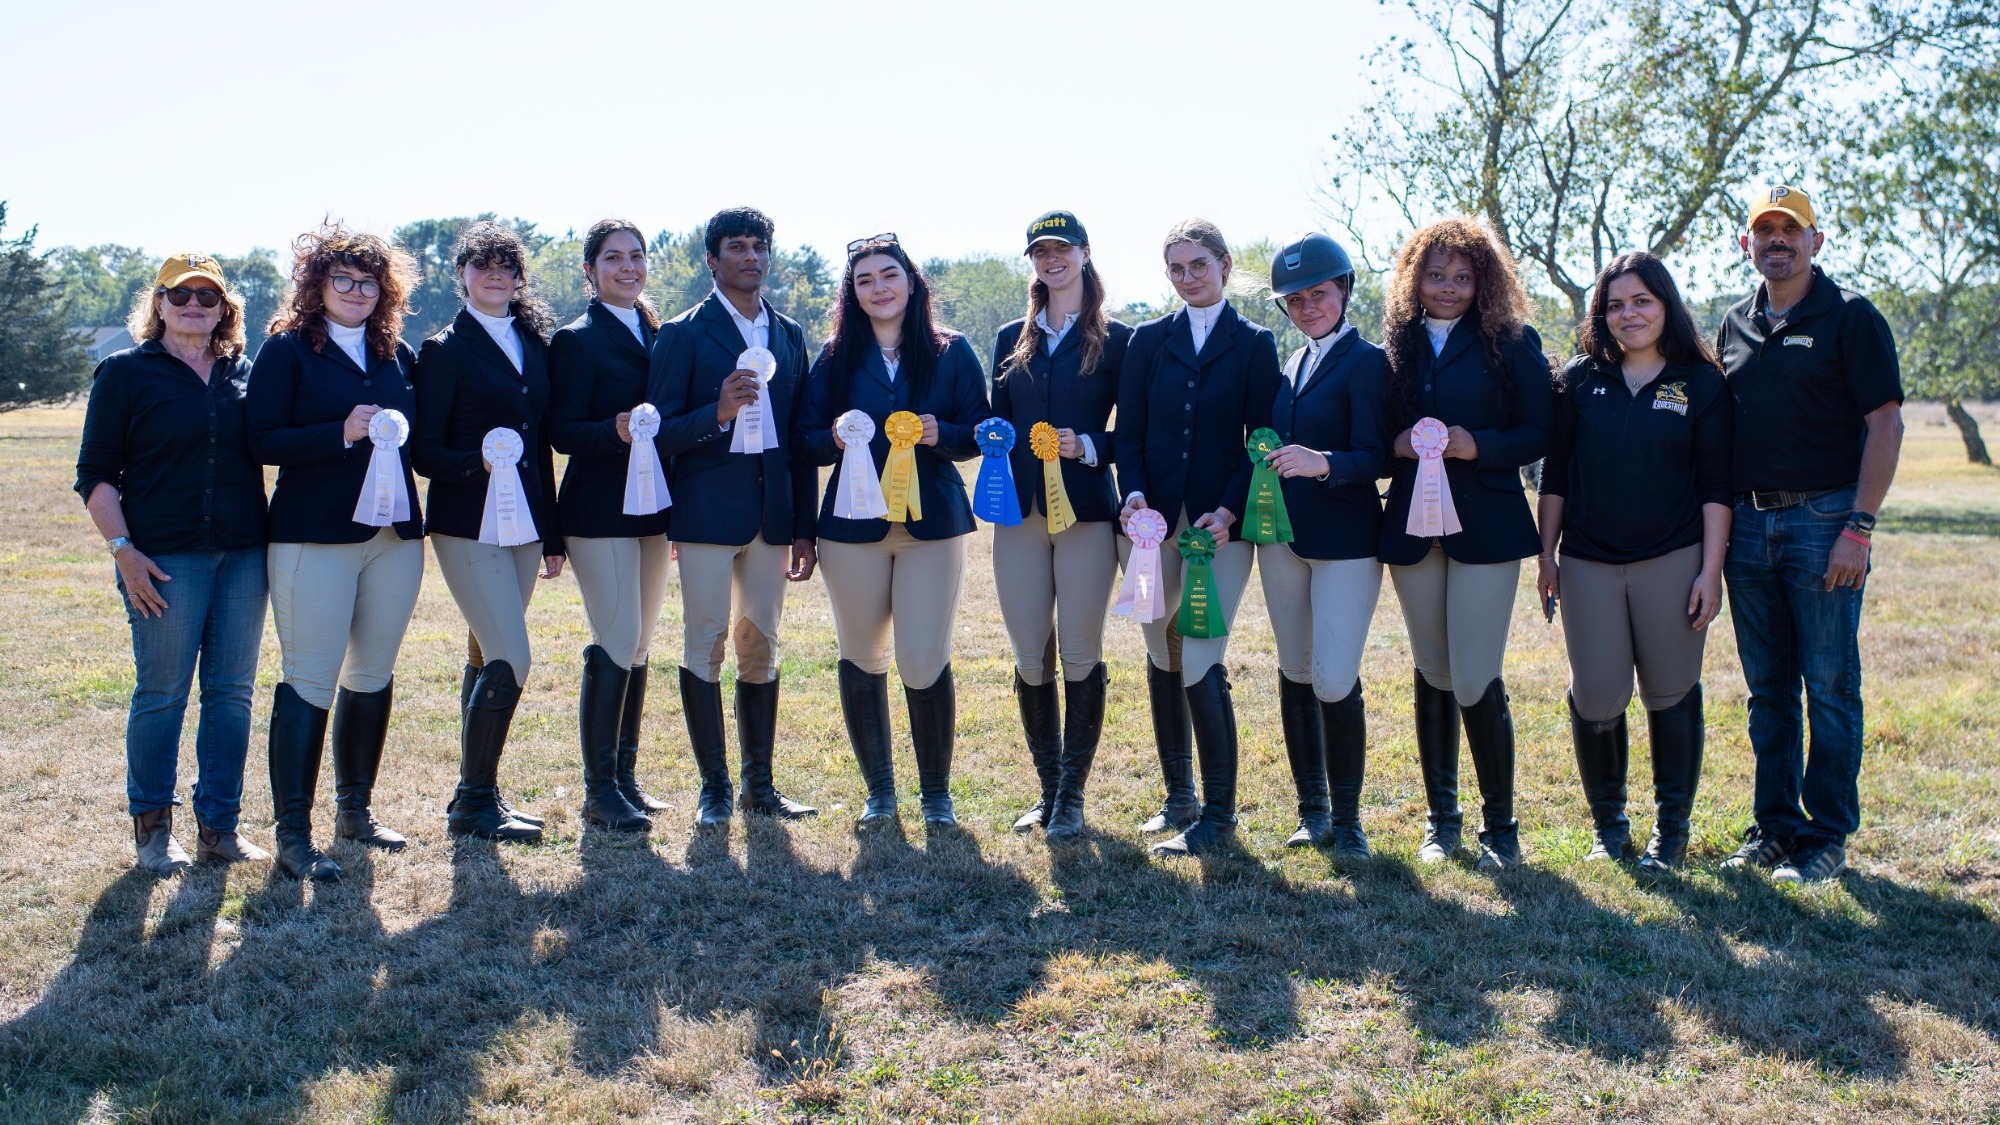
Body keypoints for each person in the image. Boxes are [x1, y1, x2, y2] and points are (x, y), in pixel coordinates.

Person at [1716, 185, 1903, 884]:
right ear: (1747, 245)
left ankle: (1827, 835)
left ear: (1816, 241)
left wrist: (1860, 525)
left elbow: (1885, 423)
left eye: (1790, 230)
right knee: (1768, 689)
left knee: (1827, 684)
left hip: (1826, 520)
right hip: (1746, 525)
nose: (1777, 241)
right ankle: (1775, 826)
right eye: (1764, 231)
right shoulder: (1732, 325)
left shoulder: (1851, 318)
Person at [75, 253, 271, 876]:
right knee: (162, 694)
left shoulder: (246, 373)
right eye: (179, 294)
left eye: (207, 297)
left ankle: (220, 827)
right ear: (157, 304)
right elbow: (96, 477)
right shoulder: (124, 374)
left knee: (232, 695)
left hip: (243, 554)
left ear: (224, 310)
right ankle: (154, 830)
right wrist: (123, 552)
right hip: (161, 560)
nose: (194, 305)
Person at [1536, 251, 1731, 873]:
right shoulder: (1578, 381)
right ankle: (1609, 826)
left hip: (1673, 559)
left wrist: (1710, 570)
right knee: (1595, 695)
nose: (1629, 314)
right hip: (1589, 561)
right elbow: (1555, 475)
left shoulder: (1700, 382)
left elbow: (1716, 484)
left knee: (1670, 691)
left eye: (1642, 301)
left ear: (1666, 305)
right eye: (1615, 305)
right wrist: (1546, 556)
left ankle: (1669, 832)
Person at [247, 224, 426, 880]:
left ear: (385, 289)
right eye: (342, 279)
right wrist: (337, 432)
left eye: (368, 281)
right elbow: (261, 439)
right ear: (317, 285)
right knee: (310, 677)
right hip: (312, 537)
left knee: (372, 672)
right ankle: (293, 833)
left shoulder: (397, 355)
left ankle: (356, 810)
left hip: (395, 542)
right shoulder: (287, 351)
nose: (356, 291)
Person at [795, 234, 989, 827]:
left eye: (888, 276)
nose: (878, 288)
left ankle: (936, 796)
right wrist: (834, 434)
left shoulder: (951, 351)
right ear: (851, 294)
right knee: (861, 653)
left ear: (911, 282)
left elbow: (982, 428)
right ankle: (880, 791)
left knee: (923, 655)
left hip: (932, 524)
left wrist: (943, 433)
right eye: (864, 281)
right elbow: (804, 439)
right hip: (852, 530)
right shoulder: (833, 357)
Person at [1378, 217, 1552, 871]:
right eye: (1435, 274)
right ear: (1413, 278)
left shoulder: (1512, 340)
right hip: (1412, 529)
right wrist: (1395, 446)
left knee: (1476, 673)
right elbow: (1374, 435)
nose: (1448, 287)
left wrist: (1481, 445)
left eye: (1462, 275)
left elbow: (1539, 431)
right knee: (1434, 671)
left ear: (1484, 279)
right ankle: (1441, 820)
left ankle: (1500, 826)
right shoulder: (1394, 346)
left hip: (1487, 525)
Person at [1114, 219, 1282, 857]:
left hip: (1219, 529)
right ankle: (1177, 797)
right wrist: (1132, 492)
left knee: (1202, 653)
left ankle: (1218, 818)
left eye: (1198, 266)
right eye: (1176, 268)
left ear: (1225, 264)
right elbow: (1128, 433)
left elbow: (1260, 442)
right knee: (1162, 652)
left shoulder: (1255, 343)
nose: (1188, 278)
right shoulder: (1147, 341)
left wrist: (1230, 510)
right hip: (1150, 526)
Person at [648, 206, 820, 827]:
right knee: (706, 641)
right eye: (737, 247)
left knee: (762, 646)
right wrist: (715, 414)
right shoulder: (683, 334)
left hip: (773, 519)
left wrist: (804, 526)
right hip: (704, 515)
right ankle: (713, 787)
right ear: (712, 260)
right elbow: (659, 432)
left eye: (758, 247)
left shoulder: (792, 333)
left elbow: (801, 438)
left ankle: (760, 786)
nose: (750, 257)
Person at [410, 221, 565, 843]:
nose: (495, 275)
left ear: (519, 277)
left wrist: (552, 533)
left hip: (527, 523)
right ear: (462, 277)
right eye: (482, 265)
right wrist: (478, 462)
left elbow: (544, 446)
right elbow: (425, 452)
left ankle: (481, 792)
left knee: (484, 652)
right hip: (467, 524)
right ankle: (472, 803)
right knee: (511, 654)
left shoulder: (536, 342)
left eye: (506, 266)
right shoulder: (443, 350)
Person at [989, 211, 1128, 842]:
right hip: (1018, 514)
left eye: (1061, 249)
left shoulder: (1118, 339)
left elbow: (1136, 434)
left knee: (1079, 650)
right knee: (1029, 653)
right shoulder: (1007, 340)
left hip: (1086, 515)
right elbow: (993, 429)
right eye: (1040, 252)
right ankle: (1047, 790)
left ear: (1084, 253)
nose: (1052, 260)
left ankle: (1072, 795)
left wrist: (1088, 446)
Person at [1258, 233, 1387, 858]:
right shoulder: (1292, 366)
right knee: (1296, 670)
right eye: (1296, 299)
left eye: (1319, 294)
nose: (1308, 307)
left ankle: (1351, 819)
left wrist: (1324, 463)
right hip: (1282, 540)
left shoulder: (1369, 364)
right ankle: (1313, 811)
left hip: (1345, 541)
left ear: (1343, 292)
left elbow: (1379, 456)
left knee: (1335, 678)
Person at [547, 218, 671, 834]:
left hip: (655, 511)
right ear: (591, 270)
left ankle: (624, 777)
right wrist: (612, 430)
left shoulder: (659, 332)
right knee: (618, 636)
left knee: (641, 642)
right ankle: (598, 790)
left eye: (637, 256)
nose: (628, 267)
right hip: (599, 510)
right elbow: (561, 430)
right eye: (614, 258)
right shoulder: (575, 340)